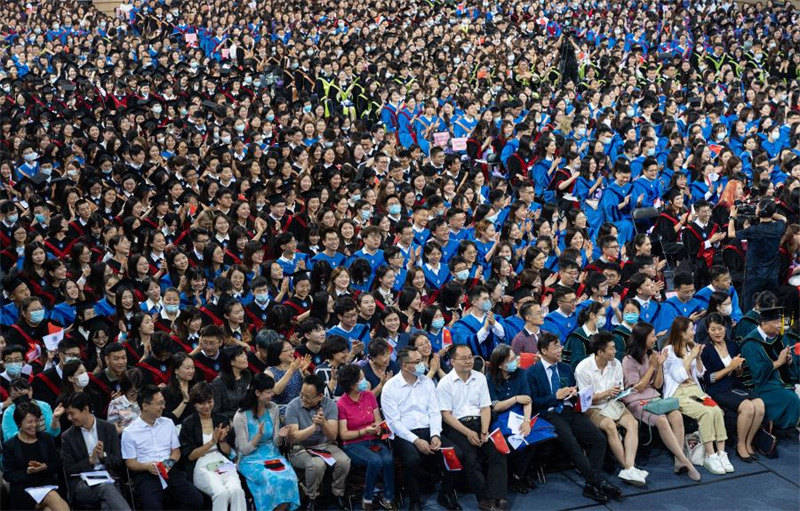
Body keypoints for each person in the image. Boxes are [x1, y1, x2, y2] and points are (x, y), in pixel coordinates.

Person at [527, 333, 620, 503]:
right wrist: (555, 396)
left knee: (598, 439)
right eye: (555, 346)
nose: (560, 349)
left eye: (560, 345)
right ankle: (597, 482)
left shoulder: (565, 368)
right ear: (543, 350)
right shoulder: (532, 372)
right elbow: (533, 403)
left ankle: (592, 484)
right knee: (571, 443)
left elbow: (573, 391)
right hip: (549, 412)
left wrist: (575, 394)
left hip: (569, 409)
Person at [622, 323, 700, 481]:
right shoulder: (628, 360)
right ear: (643, 338)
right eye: (652, 336)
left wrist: (660, 366)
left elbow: (657, 385)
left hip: (653, 396)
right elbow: (638, 387)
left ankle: (678, 461)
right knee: (662, 420)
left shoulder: (654, 355)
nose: (654, 338)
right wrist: (652, 367)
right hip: (636, 400)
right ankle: (686, 461)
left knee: (676, 415)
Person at [381, 347, 456, 511]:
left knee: (453, 453)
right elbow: (394, 423)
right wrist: (416, 440)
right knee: (412, 459)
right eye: (417, 362)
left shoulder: (427, 382)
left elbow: (434, 411)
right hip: (405, 434)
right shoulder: (390, 387)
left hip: (429, 429)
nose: (422, 364)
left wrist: (435, 434)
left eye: (421, 360)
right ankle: (414, 500)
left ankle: (446, 493)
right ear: (404, 365)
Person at [438, 344, 509, 511]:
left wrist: (484, 431)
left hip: (480, 422)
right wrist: (469, 433)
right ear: (452, 361)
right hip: (458, 426)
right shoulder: (445, 383)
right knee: (471, 457)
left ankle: (498, 496)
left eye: (470, 357)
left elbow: (485, 407)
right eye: (463, 358)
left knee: (498, 450)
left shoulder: (480, 378)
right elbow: (446, 415)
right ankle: (484, 499)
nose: (468, 361)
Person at [575, 332, 647, 486]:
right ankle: (628, 467)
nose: (615, 351)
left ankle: (630, 466)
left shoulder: (616, 364)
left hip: (612, 403)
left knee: (632, 423)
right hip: (593, 407)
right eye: (612, 349)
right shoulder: (583, 369)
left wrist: (619, 392)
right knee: (610, 426)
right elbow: (585, 399)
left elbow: (619, 388)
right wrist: (606, 393)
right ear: (600, 352)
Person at [662, 317, 731, 475]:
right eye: (690, 330)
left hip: (695, 390)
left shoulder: (689, 348)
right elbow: (679, 375)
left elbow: (700, 374)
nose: (693, 332)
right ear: (681, 333)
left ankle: (721, 453)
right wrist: (691, 357)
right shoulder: (668, 351)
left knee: (716, 410)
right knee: (706, 413)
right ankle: (710, 455)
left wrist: (698, 357)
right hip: (679, 393)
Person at [121, 385, 204, 510]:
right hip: (145, 473)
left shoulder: (168, 423)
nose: (163, 407)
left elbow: (176, 451)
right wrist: (148, 467)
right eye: (159, 404)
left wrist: (168, 464)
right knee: (152, 506)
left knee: (195, 499)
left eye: (163, 403)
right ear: (145, 406)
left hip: (169, 468)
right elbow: (130, 463)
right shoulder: (129, 432)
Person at [700, 313, 765, 462]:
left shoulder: (732, 345)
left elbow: (738, 372)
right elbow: (708, 378)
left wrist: (738, 368)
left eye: (720, 328)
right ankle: (740, 445)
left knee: (759, 405)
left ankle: (749, 442)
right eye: (713, 329)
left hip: (734, 385)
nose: (717, 332)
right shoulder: (705, 350)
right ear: (708, 331)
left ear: (725, 328)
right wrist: (730, 367)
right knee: (748, 406)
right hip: (717, 389)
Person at [232, 373, 301, 511]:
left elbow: (275, 442)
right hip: (250, 459)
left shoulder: (273, 408)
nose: (272, 395)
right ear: (257, 392)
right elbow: (243, 449)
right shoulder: (240, 416)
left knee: (289, 478)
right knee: (272, 480)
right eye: (268, 392)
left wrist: (281, 436)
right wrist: (257, 437)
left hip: (272, 454)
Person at [285, 374, 350, 510]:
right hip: (300, 448)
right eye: (301, 394)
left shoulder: (330, 405)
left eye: (307, 397)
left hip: (325, 445)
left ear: (320, 396)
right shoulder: (293, 406)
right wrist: (314, 427)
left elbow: (333, 436)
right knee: (317, 464)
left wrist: (323, 423)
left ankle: (337, 493)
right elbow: (295, 436)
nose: (303, 399)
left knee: (344, 461)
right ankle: (311, 497)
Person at [337, 363, 396, 511]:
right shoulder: (342, 404)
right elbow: (344, 434)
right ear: (351, 384)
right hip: (353, 444)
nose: (365, 382)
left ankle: (388, 497)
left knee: (388, 459)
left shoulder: (369, 396)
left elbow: (377, 419)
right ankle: (367, 497)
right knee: (375, 461)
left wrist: (379, 429)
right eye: (361, 379)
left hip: (373, 440)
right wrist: (363, 431)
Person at [179, 382, 246, 511]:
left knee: (237, 491)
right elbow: (189, 456)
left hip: (221, 461)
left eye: (209, 402)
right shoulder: (189, 424)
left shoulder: (221, 419)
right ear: (194, 404)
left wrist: (221, 441)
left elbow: (228, 452)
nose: (207, 406)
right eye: (202, 403)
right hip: (201, 463)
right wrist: (211, 442)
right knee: (221, 493)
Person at [62, 392, 131, 511]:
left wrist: (103, 456)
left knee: (106, 504)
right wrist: (90, 460)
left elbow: (118, 461)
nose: (69, 418)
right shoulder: (68, 436)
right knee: (106, 488)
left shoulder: (108, 429)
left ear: (85, 409)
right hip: (83, 485)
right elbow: (69, 469)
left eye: (72, 413)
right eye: (68, 414)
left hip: (109, 478)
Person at [486, 344, 537, 493]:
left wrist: (527, 421)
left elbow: (527, 400)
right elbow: (495, 406)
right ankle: (511, 478)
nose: (516, 361)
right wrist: (514, 399)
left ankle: (520, 475)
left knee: (532, 438)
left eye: (515, 358)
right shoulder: (490, 378)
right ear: (501, 365)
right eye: (511, 359)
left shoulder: (521, 374)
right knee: (509, 442)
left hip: (520, 415)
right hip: (499, 418)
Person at [2, 401, 69, 511]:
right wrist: (27, 472)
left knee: (49, 509)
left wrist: (45, 467)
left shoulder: (46, 439)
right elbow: (8, 475)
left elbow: (57, 464)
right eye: (30, 422)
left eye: (36, 421)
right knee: (52, 497)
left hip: (46, 484)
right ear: (19, 423)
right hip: (24, 490)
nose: (34, 425)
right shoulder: (10, 445)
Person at [740, 307, 800, 430]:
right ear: (763, 323)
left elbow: (784, 363)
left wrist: (788, 361)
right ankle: (784, 430)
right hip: (761, 386)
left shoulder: (777, 338)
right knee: (791, 398)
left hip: (777, 381)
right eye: (776, 322)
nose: (780, 325)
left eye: (780, 322)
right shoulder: (750, 343)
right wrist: (779, 362)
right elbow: (758, 373)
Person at [728, 199, 788, 310]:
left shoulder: (753, 230)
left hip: (754, 275)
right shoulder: (778, 227)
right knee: (771, 303)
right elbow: (783, 219)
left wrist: (732, 217)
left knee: (749, 305)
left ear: (759, 211)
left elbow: (731, 234)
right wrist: (771, 212)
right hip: (772, 274)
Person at [450, 286, 505, 360]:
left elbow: (504, 335)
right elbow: (464, 344)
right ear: (474, 302)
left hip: (496, 363)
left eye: (488, 298)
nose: (488, 301)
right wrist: (485, 329)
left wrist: (494, 323)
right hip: (474, 364)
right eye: (485, 299)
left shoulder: (497, 318)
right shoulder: (462, 324)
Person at [210, 346, 253, 422]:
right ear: (231, 362)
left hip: (247, 417)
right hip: (229, 421)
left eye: (245, 354)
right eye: (241, 355)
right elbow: (215, 412)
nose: (245, 357)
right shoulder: (218, 383)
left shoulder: (247, 375)